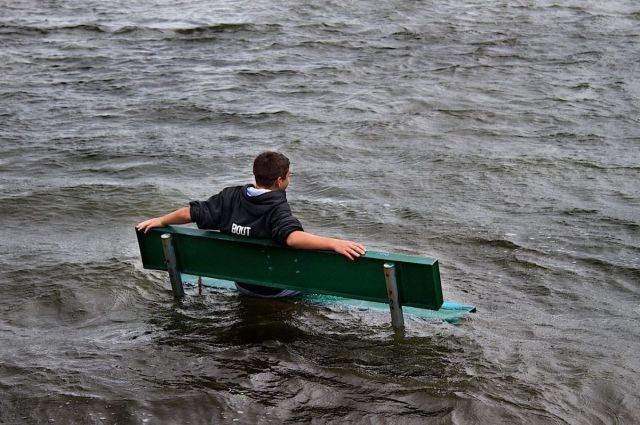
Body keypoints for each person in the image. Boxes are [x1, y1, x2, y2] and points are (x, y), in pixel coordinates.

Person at [135, 151, 366, 297]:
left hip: (243, 283)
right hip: (275, 287)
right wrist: (334, 243)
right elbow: (292, 237)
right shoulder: (276, 207)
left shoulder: (230, 196)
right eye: (289, 175)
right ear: (279, 180)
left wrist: (161, 220)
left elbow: (191, 212)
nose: (290, 178)